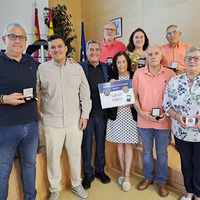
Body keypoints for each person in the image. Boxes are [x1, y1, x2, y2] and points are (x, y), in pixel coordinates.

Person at [36, 34, 91, 200]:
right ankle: (54, 189)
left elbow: (85, 94)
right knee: (52, 158)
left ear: (66, 48)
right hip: (51, 123)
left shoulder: (77, 68)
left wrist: (85, 116)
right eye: (53, 47)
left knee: (75, 155)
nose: (56, 50)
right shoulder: (42, 69)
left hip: (75, 121)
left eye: (60, 46)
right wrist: (36, 114)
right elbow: (34, 93)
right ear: (49, 50)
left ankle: (76, 184)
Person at [0, 23, 40, 200]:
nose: (18, 41)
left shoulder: (32, 62)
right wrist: (4, 99)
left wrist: (68, 62)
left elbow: (52, 70)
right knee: (2, 173)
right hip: (5, 127)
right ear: (4, 39)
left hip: (31, 126)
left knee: (30, 167)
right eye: (13, 36)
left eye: (22, 37)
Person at [132, 45, 175, 197]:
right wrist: (141, 112)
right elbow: (134, 96)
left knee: (162, 153)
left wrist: (168, 114)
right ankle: (148, 177)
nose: (153, 56)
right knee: (147, 153)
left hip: (163, 122)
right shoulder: (138, 73)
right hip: (144, 121)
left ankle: (162, 181)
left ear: (161, 55)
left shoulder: (170, 74)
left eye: (156, 53)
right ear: (146, 56)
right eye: (150, 54)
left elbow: (173, 98)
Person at [163, 46, 200, 200]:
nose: (192, 61)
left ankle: (198, 194)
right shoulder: (174, 81)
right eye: (189, 58)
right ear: (184, 61)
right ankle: (189, 192)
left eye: (196, 58)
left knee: (198, 165)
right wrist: (177, 116)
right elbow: (166, 105)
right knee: (185, 163)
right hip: (181, 132)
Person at [79, 40, 112, 190]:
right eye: (91, 50)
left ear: (100, 52)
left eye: (97, 50)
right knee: (86, 145)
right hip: (85, 115)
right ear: (86, 52)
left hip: (102, 114)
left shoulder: (106, 68)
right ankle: (88, 174)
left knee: (100, 144)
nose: (94, 52)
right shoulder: (79, 67)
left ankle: (100, 170)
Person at [106, 52, 139, 192]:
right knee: (119, 144)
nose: (121, 65)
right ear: (115, 64)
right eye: (118, 62)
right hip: (116, 115)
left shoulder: (134, 76)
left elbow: (139, 96)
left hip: (130, 115)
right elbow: (107, 97)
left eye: (123, 62)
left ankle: (127, 176)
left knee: (129, 145)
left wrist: (131, 104)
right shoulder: (112, 77)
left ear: (128, 63)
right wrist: (109, 86)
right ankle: (122, 171)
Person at [161, 24, 192, 144]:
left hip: (185, 84)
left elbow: (195, 65)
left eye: (174, 32)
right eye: (169, 33)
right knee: (168, 108)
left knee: (183, 109)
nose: (172, 35)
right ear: (166, 37)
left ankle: (183, 134)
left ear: (180, 34)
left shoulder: (188, 48)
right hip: (167, 84)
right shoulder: (161, 50)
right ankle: (168, 137)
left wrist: (185, 70)